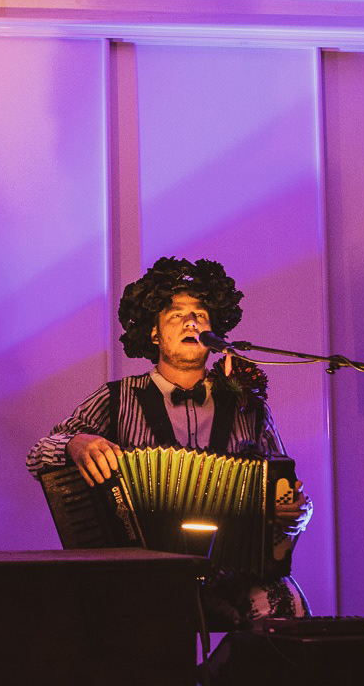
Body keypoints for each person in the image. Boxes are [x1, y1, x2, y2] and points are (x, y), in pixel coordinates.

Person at [26, 256, 309, 626]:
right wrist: (75, 444)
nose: (191, 322)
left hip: (232, 576)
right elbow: (39, 454)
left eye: (200, 314)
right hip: (141, 575)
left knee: (285, 602)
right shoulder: (116, 398)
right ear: (154, 334)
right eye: (176, 315)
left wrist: (297, 514)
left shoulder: (248, 407)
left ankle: (230, 664)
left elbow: (286, 490)